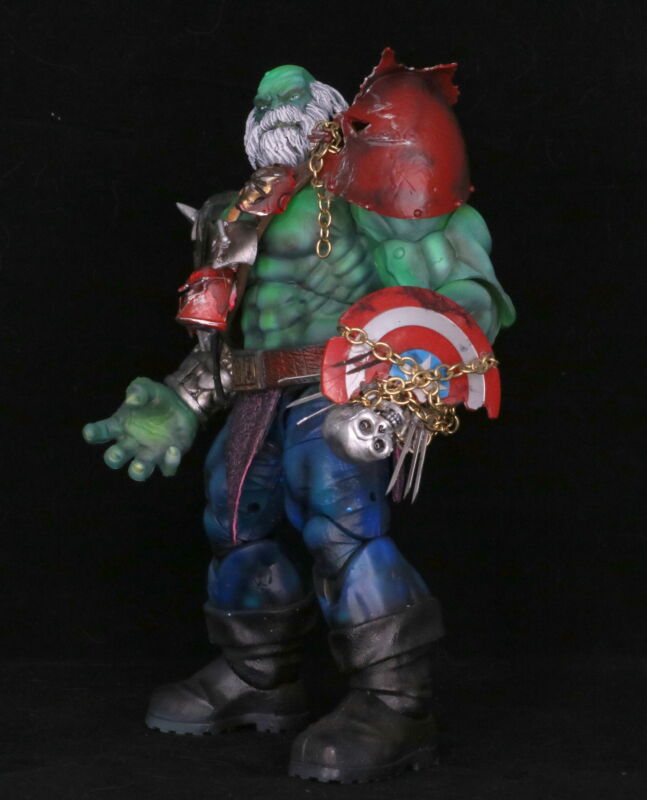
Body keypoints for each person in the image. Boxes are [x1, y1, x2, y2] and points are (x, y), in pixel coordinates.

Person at [83, 51, 515, 783]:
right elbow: (233, 336)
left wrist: (407, 379)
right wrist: (183, 399)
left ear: (330, 113)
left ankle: (396, 701)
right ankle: (257, 676)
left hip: (341, 387)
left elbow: (459, 293)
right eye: (264, 102)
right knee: (231, 516)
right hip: (258, 392)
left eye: (293, 98)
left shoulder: (373, 188)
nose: (275, 105)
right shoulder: (237, 211)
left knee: (336, 516)